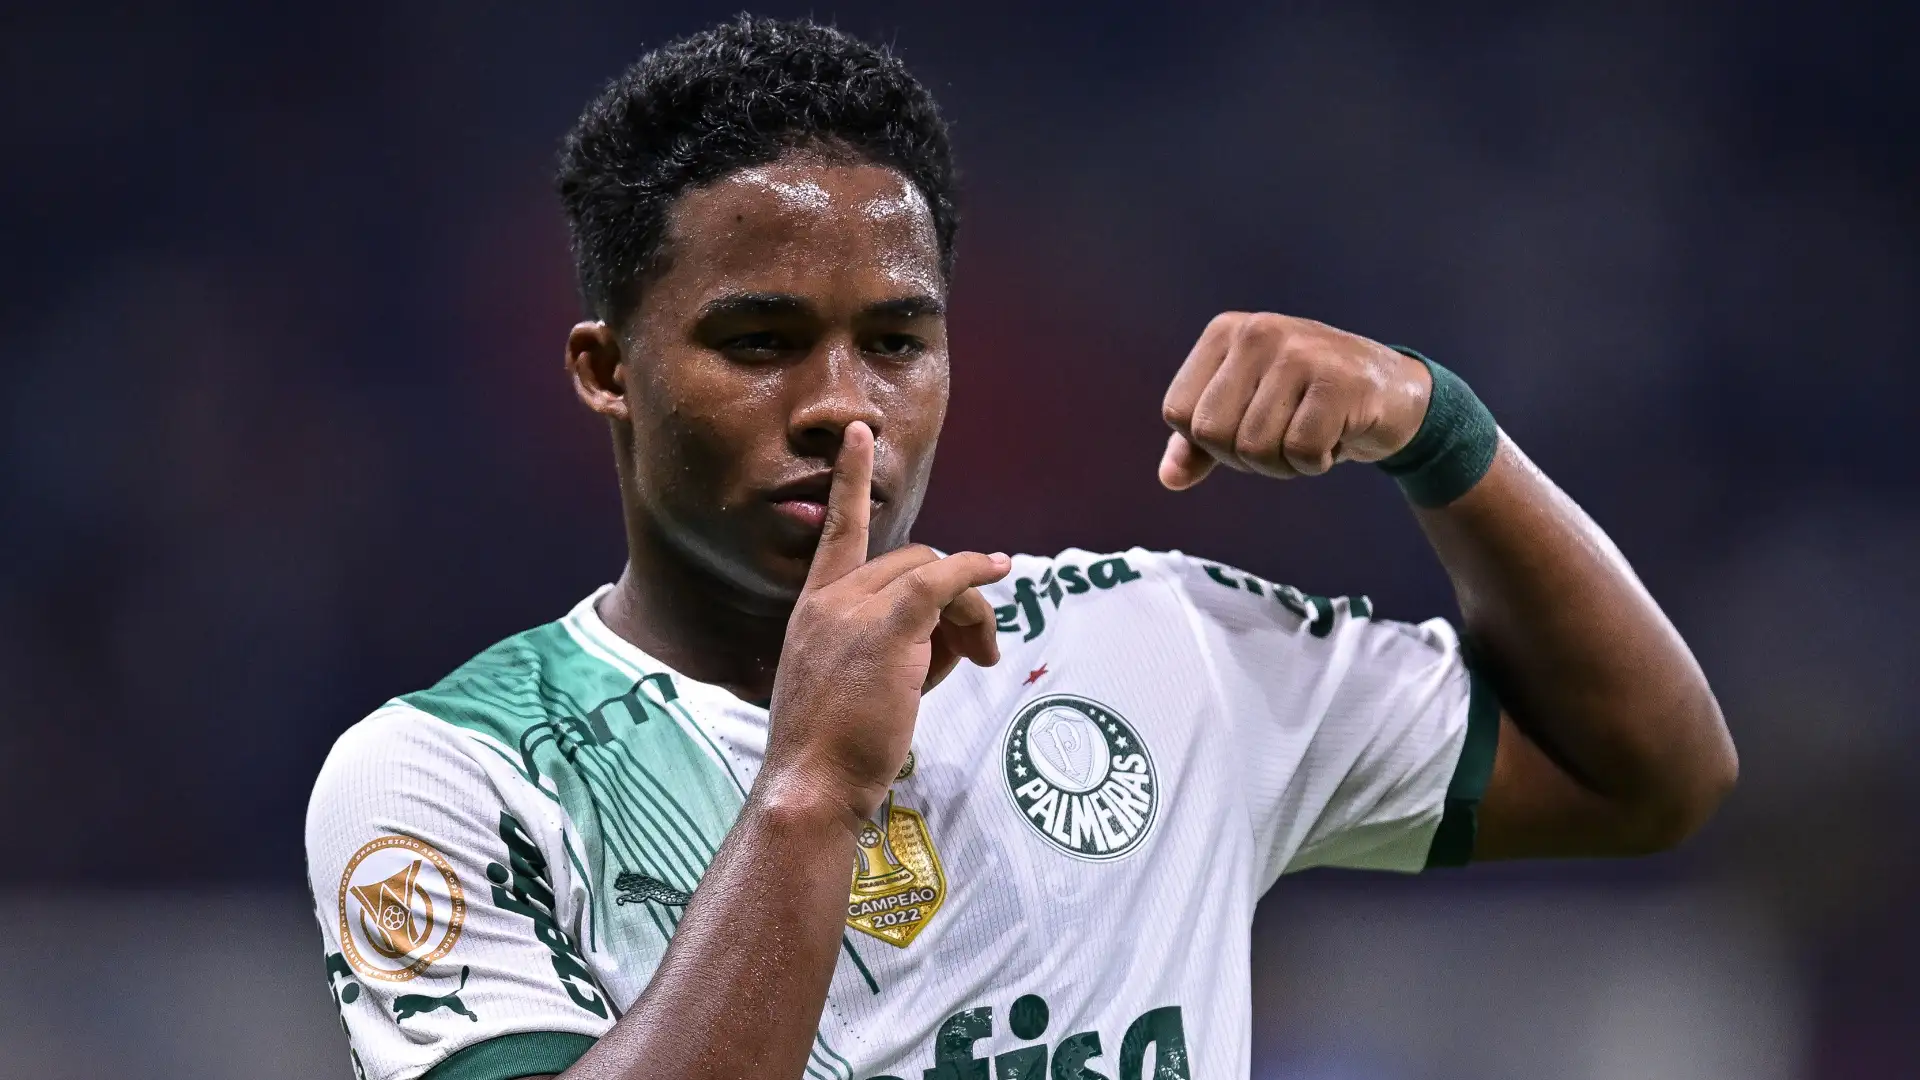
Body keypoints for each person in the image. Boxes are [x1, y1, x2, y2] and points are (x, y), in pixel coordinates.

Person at [305, 16, 1738, 1080]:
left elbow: (1648, 774)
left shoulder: (1154, 647)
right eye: (758, 343)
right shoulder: (451, 775)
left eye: (895, 343)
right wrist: (811, 785)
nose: (841, 405)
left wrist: (1440, 430)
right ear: (607, 369)